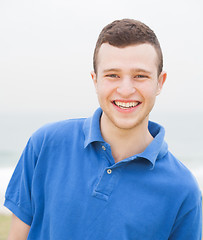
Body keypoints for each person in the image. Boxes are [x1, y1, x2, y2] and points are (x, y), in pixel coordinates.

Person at [4, 19, 202, 240]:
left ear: (160, 82)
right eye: (113, 75)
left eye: (140, 76)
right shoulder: (45, 144)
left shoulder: (183, 190)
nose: (126, 90)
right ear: (95, 80)